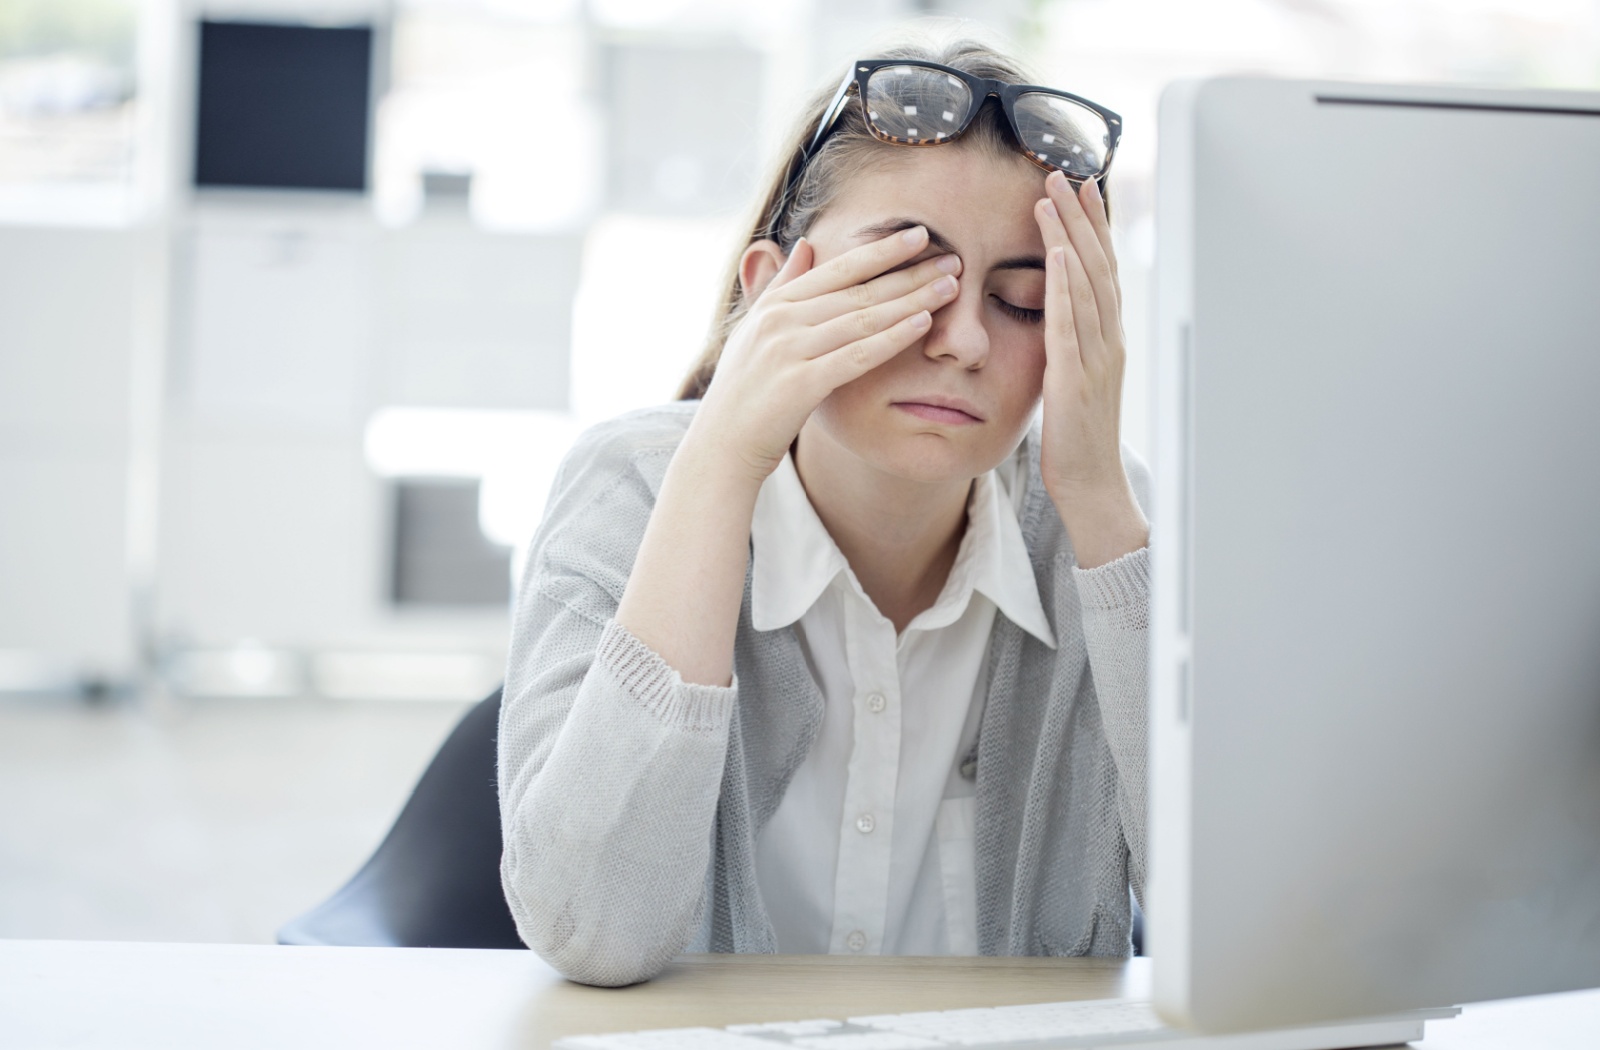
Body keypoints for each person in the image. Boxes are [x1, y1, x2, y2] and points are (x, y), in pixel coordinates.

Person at [497, 28, 1151, 988]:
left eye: (1021, 302)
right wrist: (723, 452)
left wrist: (1101, 510)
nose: (964, 340)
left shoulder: (1109, 528)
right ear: (769, 294)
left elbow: (1258, 936)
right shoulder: (630, 486)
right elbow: (594, 930)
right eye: (902, 277)